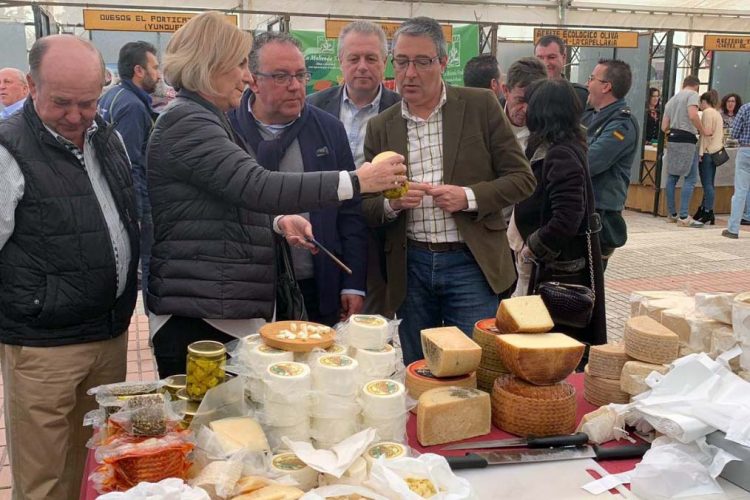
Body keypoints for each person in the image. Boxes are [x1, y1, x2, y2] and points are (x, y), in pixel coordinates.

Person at [145, 12, 406, 377]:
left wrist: (278, 221)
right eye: (239, 64)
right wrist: (358, 180)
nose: (246, 76)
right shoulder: (190, 122)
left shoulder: (205, 117)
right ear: (209, 65)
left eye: (299, 75)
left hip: (215, 307)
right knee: (208, 424)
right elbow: (257, 185)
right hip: (200, 315)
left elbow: (227, 197)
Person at [0, 35, 139, 499]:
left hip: (108, 335)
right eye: (62, 102)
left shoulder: (108, 134)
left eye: (88, 101)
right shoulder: (8, 149)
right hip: (44, 348)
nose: (77, 115)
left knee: (95, 468)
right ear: (32, 87)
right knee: (44, 479)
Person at [361, 16, 536, 365]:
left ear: (443, 62)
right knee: (421, 367)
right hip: (409, 266)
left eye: (422, 61)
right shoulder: (381, 127)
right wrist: (393, 205)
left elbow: (522, 178)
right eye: (402, 61)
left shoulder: (480, 106)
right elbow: (366, 206)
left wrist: (468, 197)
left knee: (474, 365)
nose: (410, 73)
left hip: (469, 263)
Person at [228, 32, 368, 326]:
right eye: (281, 77)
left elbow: (350, 212)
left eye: (301, 75)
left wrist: (353, 282)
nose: (294, 86)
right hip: (246, 288)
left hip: (316, 286)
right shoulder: (226, 131)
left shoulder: (328, 129)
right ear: (252, 80)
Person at [307, 20, 401, 317]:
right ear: (340, 62)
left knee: (370, 322)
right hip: (324, 227)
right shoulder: (313, 108)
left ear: (384, 63)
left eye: (371, 58)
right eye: (354, 58)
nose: (362, 66)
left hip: (380, 231)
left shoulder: (401, 111)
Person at [512, 78, 606, 349]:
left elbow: (567, 216)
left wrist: (533, 247)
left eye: (530, 104)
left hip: (562, 271)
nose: (525, 110)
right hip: (555, 265)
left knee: (555, 346)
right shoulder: (555, 147)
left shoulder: (560, 153)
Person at [99, 41, 160, 308]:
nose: (158, 75)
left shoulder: (110, 96)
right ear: (139, 70)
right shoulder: (133, 107)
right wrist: (137, 211)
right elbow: (130, 162)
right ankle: (153, 322)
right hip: (135, 199)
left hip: (110, 194)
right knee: (149, 261)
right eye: (155, 67)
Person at [582, 59, 639, 269]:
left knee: (589, 284)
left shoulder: (621, 124)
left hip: (599, 215)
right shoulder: (591, 116)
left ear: (606, 86)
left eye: (592, 79)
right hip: (584, 208)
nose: (588, 84)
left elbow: (590, 162)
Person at [662, 75, 705, 227]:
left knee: (672, 176)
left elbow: (663, 126)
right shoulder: (693, 95)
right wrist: (702, 130)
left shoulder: (672, 100)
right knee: (691, 177)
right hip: (687, 139)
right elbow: (693, 115)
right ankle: (684, 216)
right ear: (697, 86)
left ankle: (672, 213)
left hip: (673, 138)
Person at [534, 34, 588, 107]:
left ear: (564, 58)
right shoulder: (527, 94)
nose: (545, 63)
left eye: (551, 57)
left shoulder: (580, 95)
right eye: (540, 58)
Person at [694, 90, 723, 225]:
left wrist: (700, 153)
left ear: (704, 102)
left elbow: (705, 135)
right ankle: (705, 209)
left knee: (707, 184)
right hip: (716, 152)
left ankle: (708, 211)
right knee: (710, 183)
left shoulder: (706, 113)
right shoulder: (717, 114)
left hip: (707, 152)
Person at [722, 101, 750, 239]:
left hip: (745, 150)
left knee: (740, 191)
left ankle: (733, 229)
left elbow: (734, 133)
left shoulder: (745, 108)